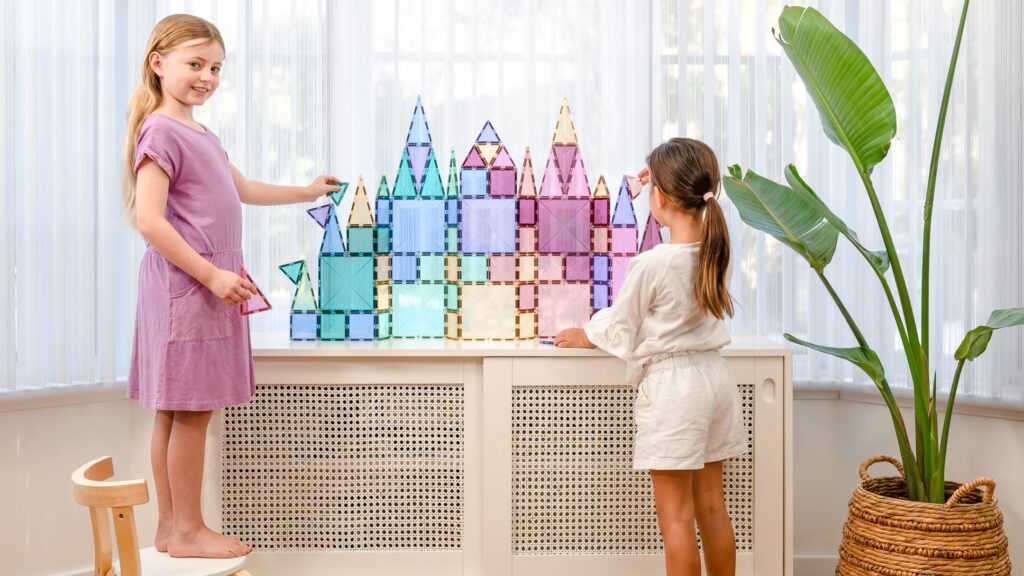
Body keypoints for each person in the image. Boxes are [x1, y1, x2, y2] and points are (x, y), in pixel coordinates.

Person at [123, 14, 341, 558]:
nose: (207, 77)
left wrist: (305, 191)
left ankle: (171, 529)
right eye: (195, 64)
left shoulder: (200, 134)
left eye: (216, 68)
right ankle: (187, 529)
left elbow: (241, 189)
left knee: (176, 409)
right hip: (191, 284)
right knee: (191, 410)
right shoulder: (161, 131)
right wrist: (212, 275)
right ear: (158, 63)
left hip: (200, 284)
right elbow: (149, 220)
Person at [554, 138, 746, 576]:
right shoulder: (716, 250)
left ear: (658, 198)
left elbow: (622, 324)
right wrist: (661, 181)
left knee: (676, 517)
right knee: (712, 508)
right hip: (715, 381)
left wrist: (587, 334)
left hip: (675, 391)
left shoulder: (653, 263)